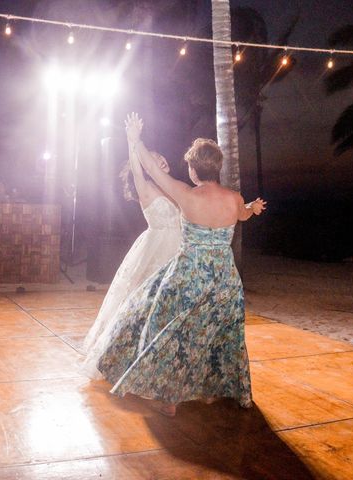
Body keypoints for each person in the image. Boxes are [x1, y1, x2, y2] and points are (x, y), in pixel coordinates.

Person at [96, 113, 266, 416]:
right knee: (220, 333)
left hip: (189, 276)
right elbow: (243, 215)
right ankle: (219, 391)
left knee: (170, 333)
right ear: (217, 168)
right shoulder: (234, 197)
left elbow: (149, 168)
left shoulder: (185, 194)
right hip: (225, 278)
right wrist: (252, 207)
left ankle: (169, 399)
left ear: (193, 169)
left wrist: (135, 140)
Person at [82, 141, 182, 377]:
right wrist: (132, 138)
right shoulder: (144, 186)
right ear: (146, 165)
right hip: (156, 248)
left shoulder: (173, 187)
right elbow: (137, 168)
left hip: (180, 249)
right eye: (155, 158)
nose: (162, 160)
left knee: (169, 307)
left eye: (161, 156)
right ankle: (126, 357)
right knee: (141, 306)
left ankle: (163, 359)